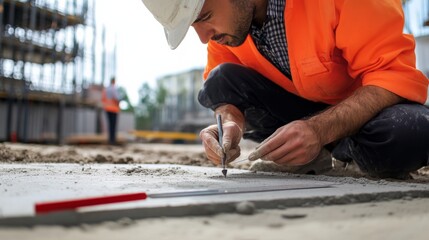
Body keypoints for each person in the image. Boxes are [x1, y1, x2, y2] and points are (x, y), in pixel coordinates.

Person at [142, 0, 429, 179]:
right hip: (297, 118)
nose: (204, 38)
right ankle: (305, 155)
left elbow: (391, 75)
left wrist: (318, 131)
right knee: (220, 78)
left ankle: (342, 151)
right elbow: (227, 86)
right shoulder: (229, 27)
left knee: (411, 133)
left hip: (363, 118)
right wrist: (230, 122)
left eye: (204, 17)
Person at [102, 77, 120, 145]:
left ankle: (110, 140)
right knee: (113, 125)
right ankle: (113, 140)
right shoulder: (114, 88)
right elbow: (116, 98)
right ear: (114, 81)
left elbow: (103, 99)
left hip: (107, 109)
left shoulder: (106, 89)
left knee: (110, 125)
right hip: (114, 109)